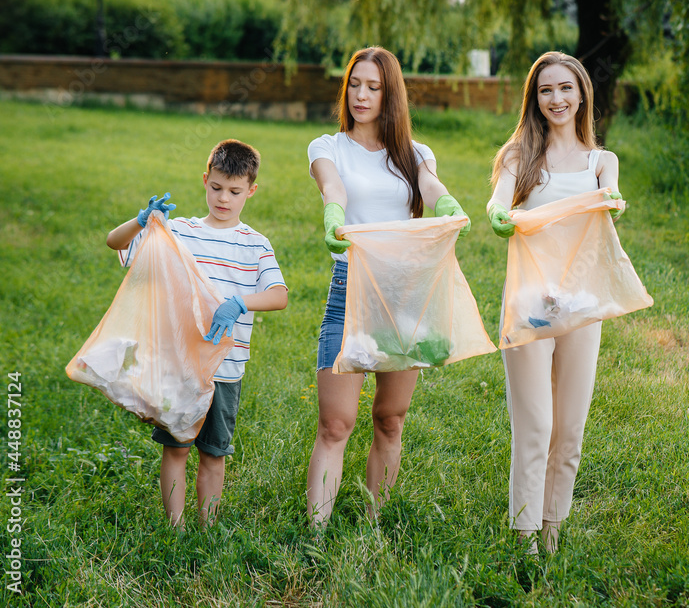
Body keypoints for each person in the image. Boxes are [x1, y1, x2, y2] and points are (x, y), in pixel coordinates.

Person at [306, 46, 470, 527]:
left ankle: (374, 522)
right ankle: (316, 534)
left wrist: (446, 205)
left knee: (390, 419)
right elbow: (332, 187)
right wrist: (333, 214)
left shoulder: (416, 154)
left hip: (405, 295)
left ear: (389, 93)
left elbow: (430, 185)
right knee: (336, 423)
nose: (361, 94)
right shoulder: (328, 147)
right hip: (351, 287)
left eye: (373, 86)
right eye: (354, 84)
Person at [106, 139, 288, 528]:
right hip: (181, 366)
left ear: (251, 191)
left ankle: (206, 529)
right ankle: (175, 529)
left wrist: (239, 301)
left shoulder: (255, 244)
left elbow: (278, 296)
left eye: (235, 192)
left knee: (214, 454)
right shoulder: (181, 232)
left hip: (226, 369)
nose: (224, 198)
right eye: (217, 188)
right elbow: (115, 244)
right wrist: (142, 222)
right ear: (205, 180)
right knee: (176, 450)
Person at [486, 51, 623, 553]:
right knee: (535, 428)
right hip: (528, 305)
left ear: (582, 93)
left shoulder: (600, 162)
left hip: (581, 310)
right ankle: (522, 538)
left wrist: (610, 199)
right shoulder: (520, 157)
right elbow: (499, 201)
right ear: (534, 98)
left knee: (569, 431)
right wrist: (500, 214)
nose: (556, 99)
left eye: (566, 88)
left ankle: (551, 533)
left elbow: (609, 194)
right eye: (546, 90)